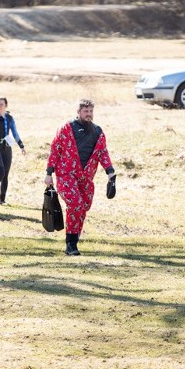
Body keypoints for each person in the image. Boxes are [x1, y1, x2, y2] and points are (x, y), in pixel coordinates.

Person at [44, 98, 115, 256]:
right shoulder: (67, 128)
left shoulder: (97, 131)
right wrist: (49, 173)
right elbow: (55, 150)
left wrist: (110, 171)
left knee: (83, 208)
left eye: (90, 111)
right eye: (85, 111)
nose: (88, 114)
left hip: (86, 178)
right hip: (66, 175)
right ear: (78, 112)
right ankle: (70, 244)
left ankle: (74, 241)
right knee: (75, 203)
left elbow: (103, 153)